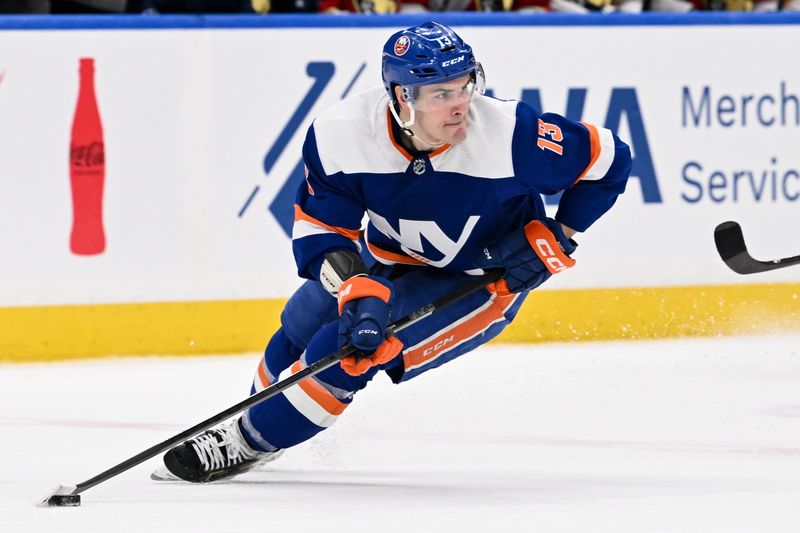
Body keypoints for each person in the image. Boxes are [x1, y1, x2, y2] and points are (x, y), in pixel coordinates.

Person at [157, 21, 632, 483]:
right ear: (402, 97)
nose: (460, 105)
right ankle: (259, 417)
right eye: (441, 95)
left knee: (346, 352)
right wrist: (355, 286)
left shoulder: (512, 134)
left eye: (466, 86)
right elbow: (323, 224)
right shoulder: (341, 133)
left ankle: (247, 441)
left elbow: (611, 160)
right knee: (302, 321)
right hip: (385, 254)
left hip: (478, 279)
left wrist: (559, 234)